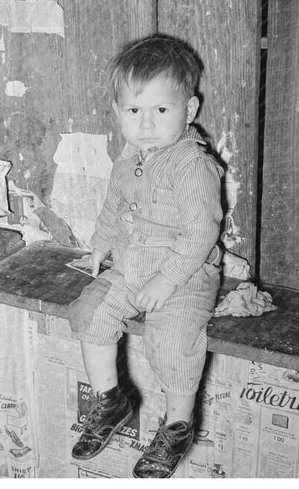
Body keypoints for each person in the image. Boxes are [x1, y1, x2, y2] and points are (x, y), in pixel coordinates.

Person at [67, 34, 223, 478]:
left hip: (184, 274)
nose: (147, 123)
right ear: (118, 114)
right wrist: (100, 243)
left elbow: (201, 232)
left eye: (162, 109)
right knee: (90, 313)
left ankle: (177, 425)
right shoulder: (130, 154)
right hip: (131, 264)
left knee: (171, 342)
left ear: (188, 111)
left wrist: (168, 280)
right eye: (135, 111)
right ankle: (110, 401)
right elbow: (114, 202)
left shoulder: (191, 165)